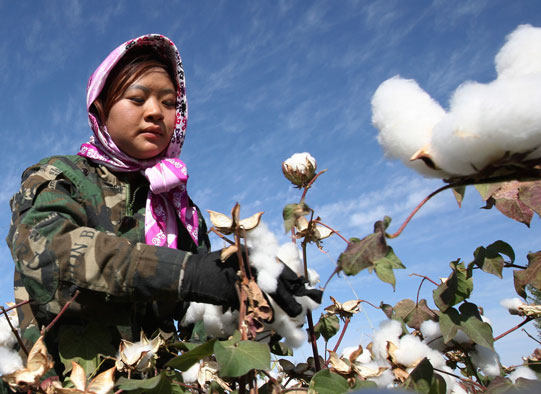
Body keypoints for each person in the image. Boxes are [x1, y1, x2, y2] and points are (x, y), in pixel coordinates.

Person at [6, 34, 321, 376]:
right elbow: (46, 254)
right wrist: (186, 272)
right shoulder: (60, 177)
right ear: (100, 107)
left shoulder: (180, 208)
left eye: (170, 103)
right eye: (137, 98)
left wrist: (250, 300)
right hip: (63, 377)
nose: (155, 112)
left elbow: (194, 319)